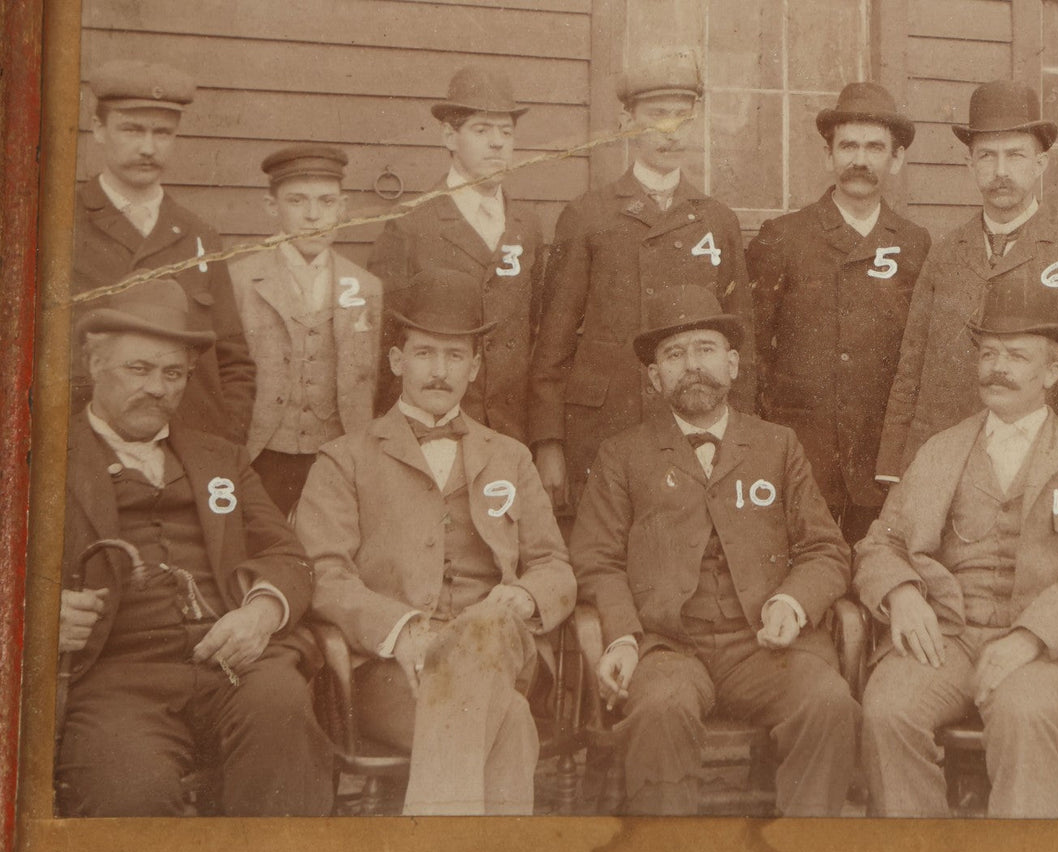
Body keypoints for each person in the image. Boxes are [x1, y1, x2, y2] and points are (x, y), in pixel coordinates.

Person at [295, 268, 575, 816]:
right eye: (424, 354)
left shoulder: (511, 456)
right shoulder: (345, 460)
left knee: (489, 627)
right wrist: (401, 631)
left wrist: (524, 597)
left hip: (503, 651)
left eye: (454, 357)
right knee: (510, 720)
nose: (439, 371)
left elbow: (553, 564)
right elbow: (324, 574)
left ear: (474, 367)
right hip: (394, 673)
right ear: (397, 362)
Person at [855, 275, 1058, 818]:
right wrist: (903, 595)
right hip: (950, 636)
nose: (997, 368)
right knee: (888, 708)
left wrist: (1030, 637)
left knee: (1023, 711)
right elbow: (879, 544)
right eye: (988, 354)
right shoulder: (940, 450)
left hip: (1048, 649)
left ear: (1052, 371)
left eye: (1016, 355)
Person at [569, 284, 857, 816]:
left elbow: (825, 549)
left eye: (704, 349)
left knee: (828, 701)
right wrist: (625, 638)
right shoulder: (623, 455)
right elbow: (596, 560)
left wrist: (791, 603)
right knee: (659, 709)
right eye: (674, 355)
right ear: (655, 377)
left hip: (763, 647)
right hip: (669, 647)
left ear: (732, 364)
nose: (692, 365)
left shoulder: (778, 445)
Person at [56, 278, 330, 817]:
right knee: (130, 793)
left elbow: (288, 555)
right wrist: (35, 614)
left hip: (231, 665)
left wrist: (260, 613)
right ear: (95, 365)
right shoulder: (41, 458)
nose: (158, 388)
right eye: (139, 369)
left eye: (173, 373)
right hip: (116, 681)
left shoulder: (218, 458)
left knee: (281, 708)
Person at [530, 47, 753, 514]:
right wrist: (548, 440)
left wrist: (740, 436)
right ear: (626, 121)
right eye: (656, 117)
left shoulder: (717, 220)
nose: (670, 131)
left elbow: (741, 342)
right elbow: (552, 343)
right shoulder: (588, 215)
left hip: (689, 420)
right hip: (602, 425)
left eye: (681, 116)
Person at [876, 80, 1058, 483]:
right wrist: (895, 469)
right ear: (969, 164)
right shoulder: (945, 252)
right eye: (987, 156)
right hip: (945, 464)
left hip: (1038, 468)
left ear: (1040, 163)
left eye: (1016, 155)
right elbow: (911, 369)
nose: (1001, 171)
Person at [746, 82, 931, 542]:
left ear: (896, 159)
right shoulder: (783, 237)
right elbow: (752, 353)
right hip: (802, 458)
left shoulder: (914, 244)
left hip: (879, 465)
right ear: (829, 155)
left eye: (875, 147)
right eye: (848, 146)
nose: (860, 160)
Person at [71, 59, 256, 444]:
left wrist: (223, 442)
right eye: (132, 129)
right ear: (99, 129)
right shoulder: (59, 226)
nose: (147, 148)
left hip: (188, 451)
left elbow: (232, 359)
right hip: (85, 451)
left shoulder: (199, 236)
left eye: (163, 133)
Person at [368, 66, 544, 443]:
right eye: (481, 130)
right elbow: (386, 348)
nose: (497, 143)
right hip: (433, 431)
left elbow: (533, 332)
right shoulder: (410, 226)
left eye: (506, 132)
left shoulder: (526, 226)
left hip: (510, 432)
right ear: (450, 135)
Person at [228, 145, 382, 514]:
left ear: (342, 208)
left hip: (335, 453)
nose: (314, 216)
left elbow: (369, 380)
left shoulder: (365, 287)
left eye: (327, 202)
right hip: (260, 454)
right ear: (272, 207)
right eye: (297, 201)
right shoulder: (242, 281)